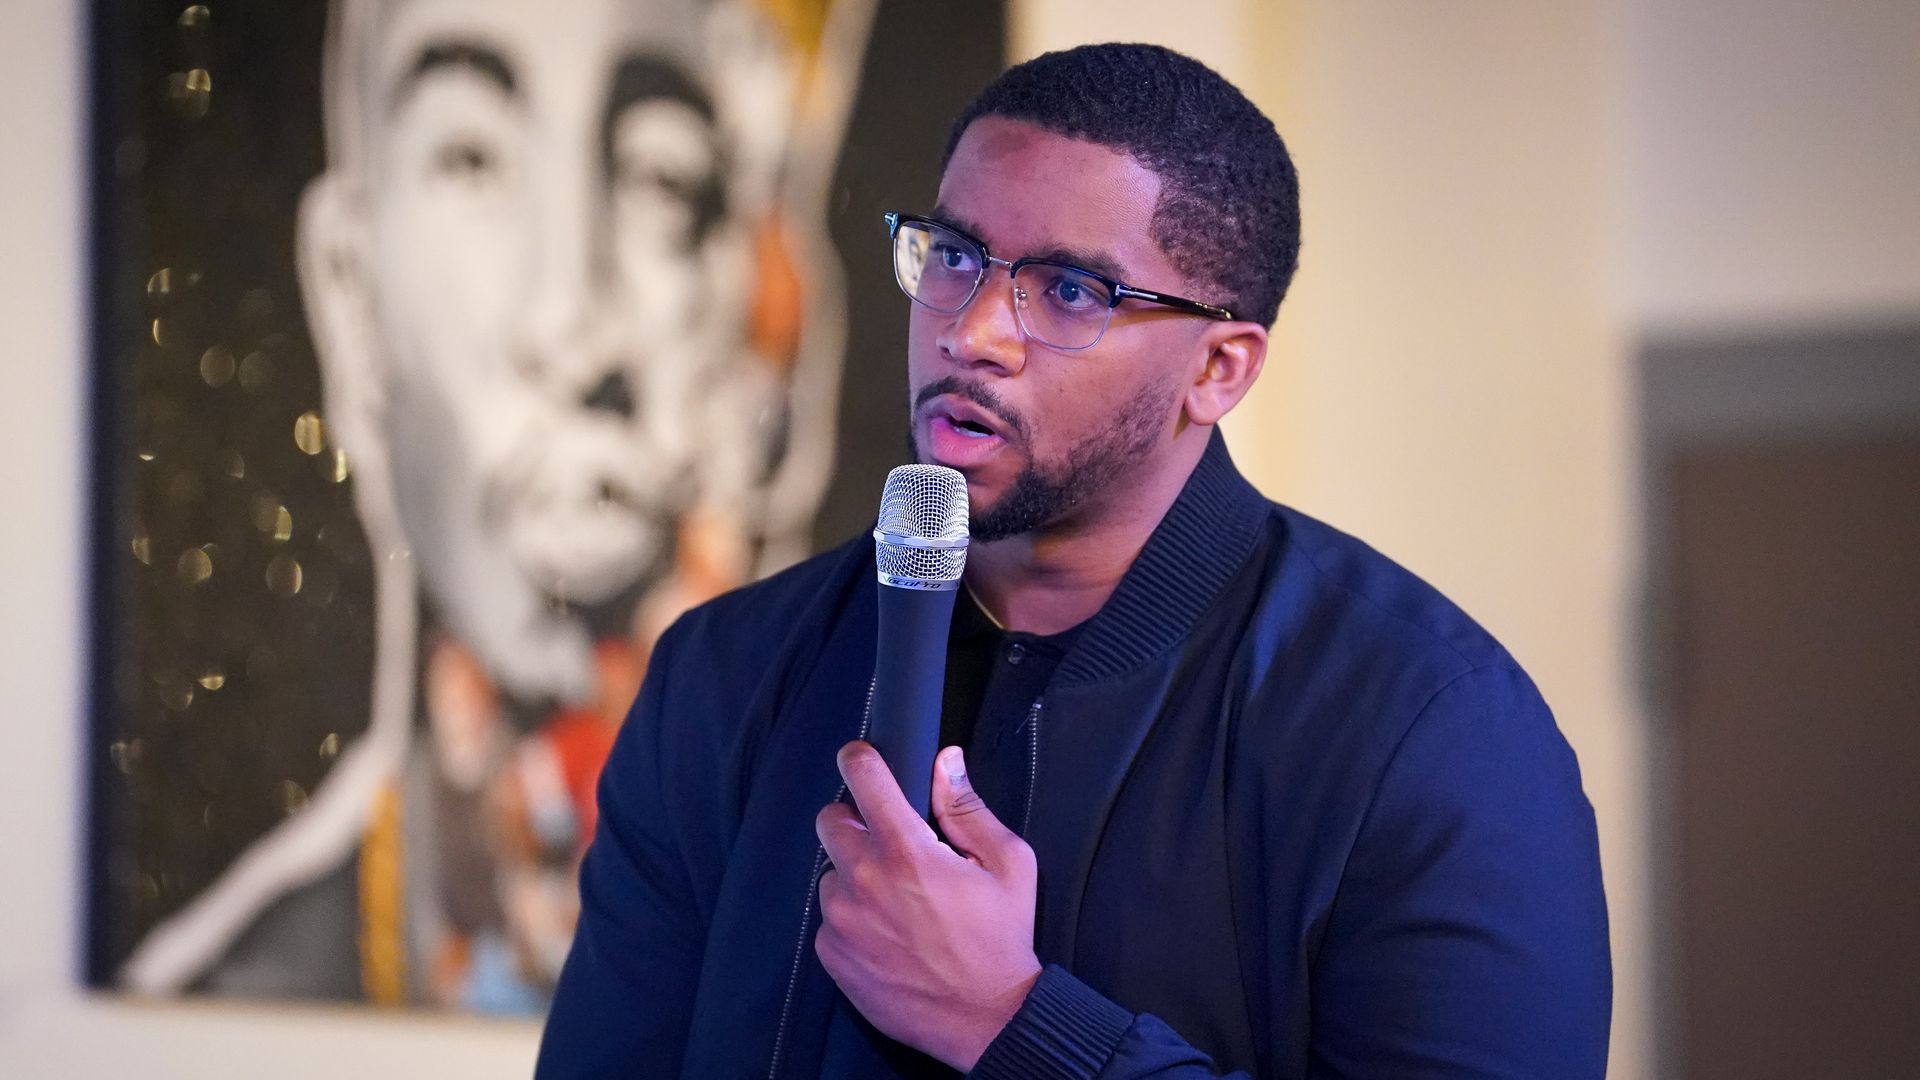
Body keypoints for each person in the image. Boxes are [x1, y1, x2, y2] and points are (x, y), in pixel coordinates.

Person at [538, 42, 1611, 1078]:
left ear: (1220, 369)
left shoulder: (1430, 729)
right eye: (954, 257)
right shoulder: (725, 675)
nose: (972, 331)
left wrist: (1010, 1024)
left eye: (1069, 293)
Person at [120, 0, 868, 1009]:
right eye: (472, 163)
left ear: (771, 317)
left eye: (661, 179)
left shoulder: (877, 984)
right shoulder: (238, 997)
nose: (568, 319)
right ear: (353, 298)